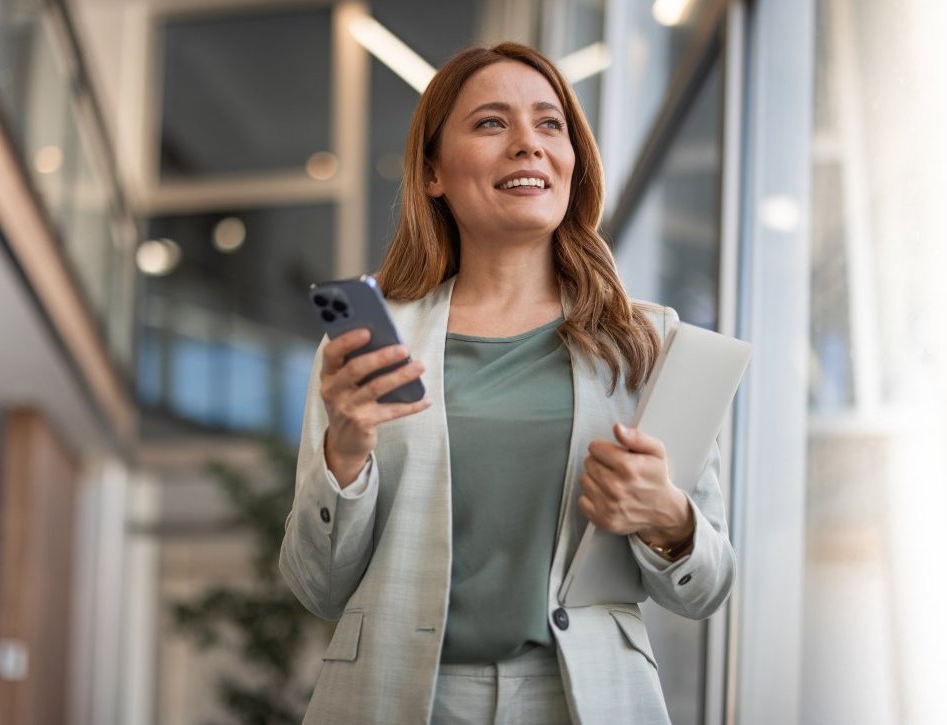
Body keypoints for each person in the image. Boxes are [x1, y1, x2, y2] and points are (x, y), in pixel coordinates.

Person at [279, 41, 735, 725]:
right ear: (433, 172)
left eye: (550, 124)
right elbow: (317, 585)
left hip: (585, 698)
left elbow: (707, 587)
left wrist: (668, 517)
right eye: (492, 123)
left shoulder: (649, 342)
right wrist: (344, 451)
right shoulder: (369, 348)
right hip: (400, 698)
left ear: (573, 161)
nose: (528, 143)